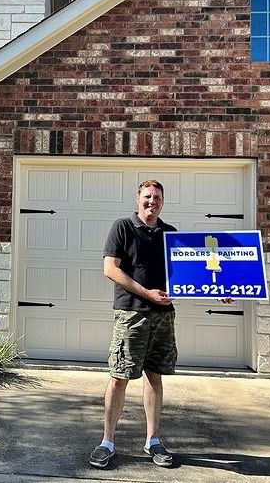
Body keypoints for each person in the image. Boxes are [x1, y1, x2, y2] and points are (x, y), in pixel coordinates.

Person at [88, 179, 177, 469]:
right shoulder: (122, 227)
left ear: (163, 201)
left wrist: (220, 290)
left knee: (154, 376)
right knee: (119, 376)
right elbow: (109, 269)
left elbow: (191, 274)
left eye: (157, 197)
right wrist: (146, 293)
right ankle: (107, 442)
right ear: (138, 199)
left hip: (163, 317)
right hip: (131, 315)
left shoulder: (171, 234)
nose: (152, 201)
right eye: (147, 196)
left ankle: (153, 440)